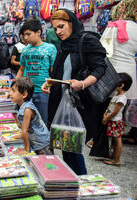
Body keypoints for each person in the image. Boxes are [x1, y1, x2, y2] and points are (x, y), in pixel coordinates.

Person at [41, 9, 107, 175]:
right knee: (66, 148)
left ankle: (82, 183)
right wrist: (50, 83)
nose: (58, 32)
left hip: (78, 105)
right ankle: (73, 183)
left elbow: (100, 68)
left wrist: (83, 84)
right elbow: (61, 71)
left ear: (71, 23)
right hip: (63, 103)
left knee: (73, 148)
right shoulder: (65, 44)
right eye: (55, 29)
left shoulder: (87, 41)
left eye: (61, 26)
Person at [16, 16, 57, 125]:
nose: (25, 37)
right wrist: (14, 86)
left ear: (38, 32)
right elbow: (21, 69)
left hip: (42, 91)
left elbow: (53, 72)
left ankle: (43, 142)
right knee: (25, 122)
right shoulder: (25, 50)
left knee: (42, 122)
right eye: (24, 35)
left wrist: (49, 87)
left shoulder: (50, 48)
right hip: (25, 91)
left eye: (28, 34)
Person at [9, 77, 51, 155]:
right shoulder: (20, 105)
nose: (10, 93)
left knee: (45, 164)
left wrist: (26, 149)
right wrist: (22, 135)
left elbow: (25, 130)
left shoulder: (27, 109)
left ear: (24, 94)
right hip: (36, 141)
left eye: (13, 91)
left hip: (42, 144)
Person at [102, 73, 132, 166]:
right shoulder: (117, 95)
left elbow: (115, 111)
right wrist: (105, 114)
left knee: (118, 140)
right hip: (112, 120)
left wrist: (106, 118)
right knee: (115, 139)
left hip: (115, 121)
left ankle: (117, 159)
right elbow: (111, 107)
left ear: (122, 85)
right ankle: (114, 155)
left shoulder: (121, 98)